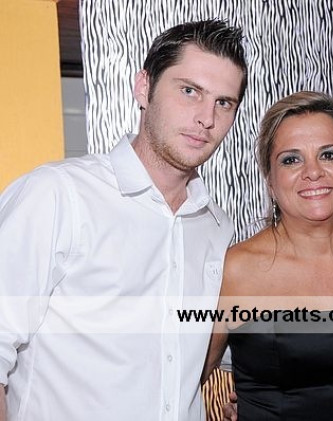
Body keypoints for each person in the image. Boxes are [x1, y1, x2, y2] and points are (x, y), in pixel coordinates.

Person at [0, 19, 247, 421]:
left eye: (224, 103)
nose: (207, 117)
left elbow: (193, 357)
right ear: (143, 88)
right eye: (189, 91)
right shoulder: (57, 195)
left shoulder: (217, 226)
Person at [204, 91, 333, 421]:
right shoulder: (234, 270)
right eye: (291, 160)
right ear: (270, 180)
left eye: (328, 154)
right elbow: (180, 381)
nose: (313, 172)